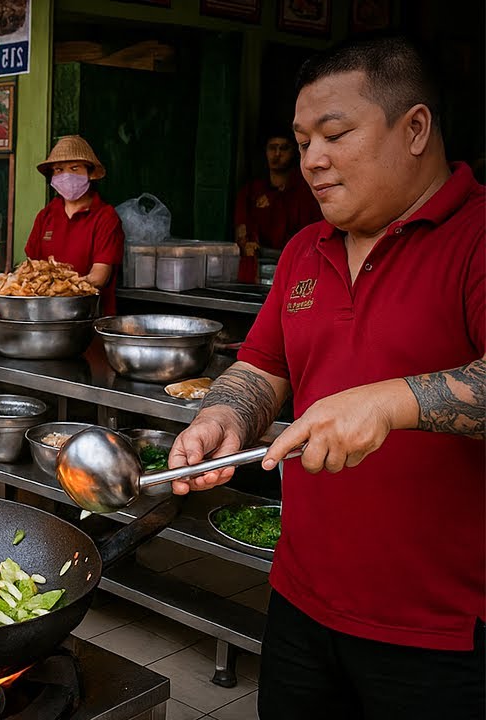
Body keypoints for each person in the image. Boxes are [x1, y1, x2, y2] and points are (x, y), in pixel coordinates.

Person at [169, 37, 483, 719]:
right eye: (302, 139)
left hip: (446, 632)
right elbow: (262, 365)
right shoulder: (305, 251)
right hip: (301, 603)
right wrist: (223, 416)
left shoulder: (477, 235)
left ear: (416, 128)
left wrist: (392, 403)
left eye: (334, 135)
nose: (311, 160)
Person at [24, 136, 124, 314]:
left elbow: (99, 277)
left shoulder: (105, 217)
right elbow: (31, 269)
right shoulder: (45, 216)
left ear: (90, 173)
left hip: (89, 318)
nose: (66, 176)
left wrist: (59, 290)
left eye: (75, 168)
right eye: (58, 170)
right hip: (45, 316)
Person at [234, 131, 322, 282]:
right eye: (272, 148)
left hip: (296, 268)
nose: (277, 153)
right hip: (255, 268)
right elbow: (241, 227)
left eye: (284, 148)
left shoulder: (307, 192)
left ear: (295, 152)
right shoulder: (251, 191)